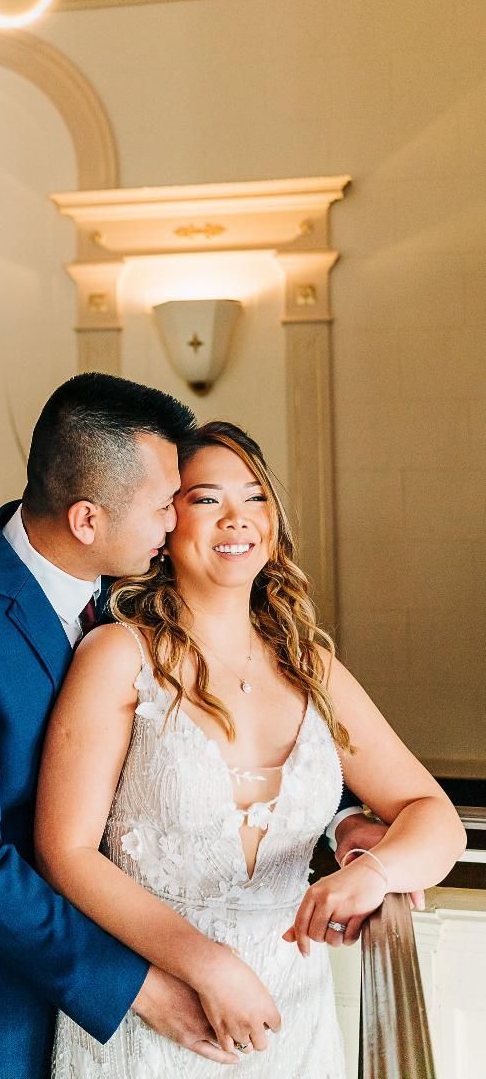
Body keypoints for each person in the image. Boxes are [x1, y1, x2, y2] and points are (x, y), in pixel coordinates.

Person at [0, 373, 260, 1079]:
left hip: (107, 960)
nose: (174, 522)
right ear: (86, 518)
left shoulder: (131, 593)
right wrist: (143, 988)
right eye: (164, 504)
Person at [36, 420, 466, 1077]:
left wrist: (370, 873)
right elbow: (64, 850)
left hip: (291, 1017)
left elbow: (432, 815)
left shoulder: (309, 663)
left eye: (255, 496)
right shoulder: (118, 655)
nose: (237, 518)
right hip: (154, 1012)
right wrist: (202, 962)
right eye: (206, 499)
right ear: (163, 523)